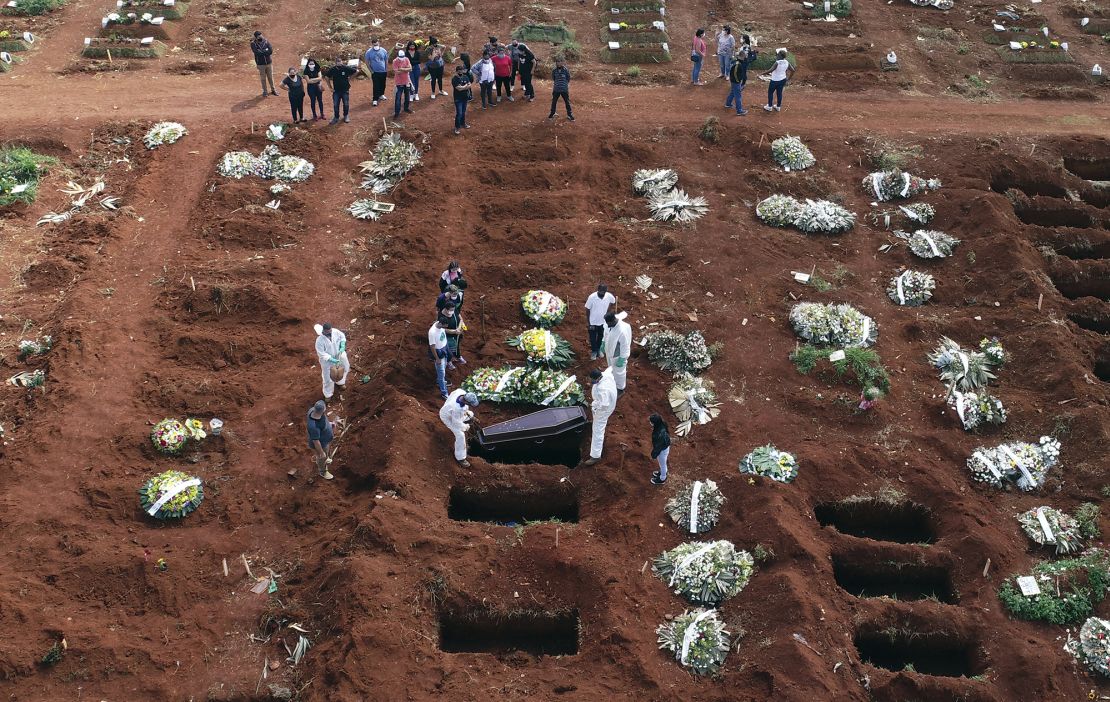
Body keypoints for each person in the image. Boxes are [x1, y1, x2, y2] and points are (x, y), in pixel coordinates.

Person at [582, 368, 617, 467]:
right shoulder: (606, 375)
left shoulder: (603, 390)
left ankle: (595, 456)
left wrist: (596, 408)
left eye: (591, 380)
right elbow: (610, 369)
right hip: (607, 402)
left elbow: (604, 404)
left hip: (604, 409)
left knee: (598, 430)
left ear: (597, 379)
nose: (590, 382)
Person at [440, 390, 480, 467]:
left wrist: (469, 415)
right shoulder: (457, 409)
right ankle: (460, 458)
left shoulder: (460, 392)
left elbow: (452, 394)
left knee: (470, 413)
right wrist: (465, 427)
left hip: (450, 410)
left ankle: (470, 417)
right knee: (460, 435)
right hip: (447, 417)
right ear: (466, 402)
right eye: (470, 404)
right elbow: (456, 423)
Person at [315, 322, 350, 400]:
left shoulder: (335, 331)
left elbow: (342, 337)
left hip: (339, 354)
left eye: (331, 331)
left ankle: (340, 382)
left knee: (345, 367)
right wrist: (332, 360)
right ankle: (328, 394)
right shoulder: (319, 341)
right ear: (324, 331)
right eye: (328, 332)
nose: (330, 333)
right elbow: (322, 354)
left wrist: (342, 345)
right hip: (327, 360)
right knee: (327, 377)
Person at [603, 311, 632, 395]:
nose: (607, 325)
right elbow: (606, 332)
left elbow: (625, 346)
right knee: (611, 368)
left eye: (609, 324)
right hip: (609, 351)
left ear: (613, 321)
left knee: (619, 372)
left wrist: (622, 358)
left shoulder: (622, 331)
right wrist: (603, 342)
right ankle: (612, 380)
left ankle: (620, 388)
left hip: (617, 355)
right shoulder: (608, 324)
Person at [584, 284, 616, 360]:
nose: (602, 293)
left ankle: (598, 349)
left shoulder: (608, 296)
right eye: (601, 291)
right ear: (598, 289)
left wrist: (608, 311)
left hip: (603, 322)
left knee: (601, 336)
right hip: (593, 322)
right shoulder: (592, 297)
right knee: (592, 337)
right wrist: (589, 323)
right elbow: (587, 310)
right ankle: (594, 351)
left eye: (604, 291)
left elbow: (613, 301)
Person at [306, 399, 335, 480]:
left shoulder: (313, 410)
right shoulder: (313, 426)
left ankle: (325, 458)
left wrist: (329, 424)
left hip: (325, 440)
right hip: (321, 445)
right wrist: (321, 453)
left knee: (325, 454)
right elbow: (316, 441)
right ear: (323, 410)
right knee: (321, 458)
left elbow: (323, 420)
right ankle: (323, 471)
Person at [725, 44, 756, 115]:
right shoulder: (738, 64)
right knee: (738, 96)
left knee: (732, 92)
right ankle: (739, 111)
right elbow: (735, 73)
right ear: (743, 56)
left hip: (733, 81)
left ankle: (728, 103)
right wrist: (738, 81)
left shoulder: (736, 61)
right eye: (746, 55)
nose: (746, 56)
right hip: (736, 82)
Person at [325, 56, 357, 124]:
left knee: (346, 104)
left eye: (340, 61)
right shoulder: (333, 69)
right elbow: (327, 77)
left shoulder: (345, 68)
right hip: (336, 91)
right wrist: (330, 87)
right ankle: (336, 117)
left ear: (342, 62)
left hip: (345, 90)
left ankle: (346, 116)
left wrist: (350, 79)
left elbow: (356, 71)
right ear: (335, 63)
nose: (339, 63)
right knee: (336, 104)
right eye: (337, 62)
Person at [762, 48, 795, 112]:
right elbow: (793, 70)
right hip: (783, 80)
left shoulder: (777, 63)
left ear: (780, 56)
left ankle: (769, 106)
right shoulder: (787, 62)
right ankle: (778, 107)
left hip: (774, 80)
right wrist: (788, 79)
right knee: (779, 93)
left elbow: (771, 70)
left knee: (770, 92)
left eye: (777, 55)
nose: (776, 56)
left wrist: (762, 73)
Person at [428, 315, 450, 398]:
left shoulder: (441, 326)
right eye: (444, 326)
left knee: (443, 368)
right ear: (440, 323)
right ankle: (444, 393)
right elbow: (432, 346)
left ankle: (439, 381)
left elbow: (443, 336)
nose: (445, 327)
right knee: (441, 373)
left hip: (444, 349)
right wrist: (437, 358)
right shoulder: (432, 332)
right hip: (439, 352)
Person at [251, 31, 276, 97]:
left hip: (269, 63)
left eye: (261, 36)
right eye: (259, 37)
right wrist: (265, 50)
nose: (260, 37)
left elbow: (270, 51)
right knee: (263, 78)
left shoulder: (266, 41)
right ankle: (265, 91)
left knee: (270, 77)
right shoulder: (253, 44)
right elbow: (257, 53)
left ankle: (273, 90)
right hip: (260, 64)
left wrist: (262, 51)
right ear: (256, 38)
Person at [365, 39, 389, 106]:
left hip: (383, 71)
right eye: (374, 44)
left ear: (379, 43)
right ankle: (375, 99)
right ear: (372, 44)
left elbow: (386, 60)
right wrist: (371, 71)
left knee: (383, 84)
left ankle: (381, 95)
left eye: (377, 44)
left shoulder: (383, 50)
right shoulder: (369, 52)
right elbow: (367, 62)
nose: (376, 45)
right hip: (375, 72)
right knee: (376, 85)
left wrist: (386, 69)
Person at [451, 64, 473, 134]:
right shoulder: (454, 79)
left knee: (463, 112)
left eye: (461, 70)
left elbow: (470, 85)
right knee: (459, 113)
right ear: (456, 71)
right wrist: (465, 86)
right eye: (459, 71)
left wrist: (463, 87)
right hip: (458, 99)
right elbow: (458, 89)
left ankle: (463, 124)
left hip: (465, 98)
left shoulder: (465, 77)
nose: (460, 72)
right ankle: (457, 127)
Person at [649, 413, 670, 485]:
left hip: (662, 450)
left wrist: (654, 454)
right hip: (665, 447)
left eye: (651, 422)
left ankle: (662, 478)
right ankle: (662, 472)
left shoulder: (659, 434)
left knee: (662, 464)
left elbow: (658, 447)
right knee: (663, 463)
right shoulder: (663, 424)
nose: (650, 423)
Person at [393, 49, 414, 118]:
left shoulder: (406, 59)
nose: (402, 59)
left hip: (406, 81)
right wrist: (406, 69)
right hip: (399, 83)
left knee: (407, 97)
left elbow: (410, 69)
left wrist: (401, 69)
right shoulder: (395, 61)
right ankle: (397, 112)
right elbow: (397, 72)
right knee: (398, 98)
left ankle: (406, 108)